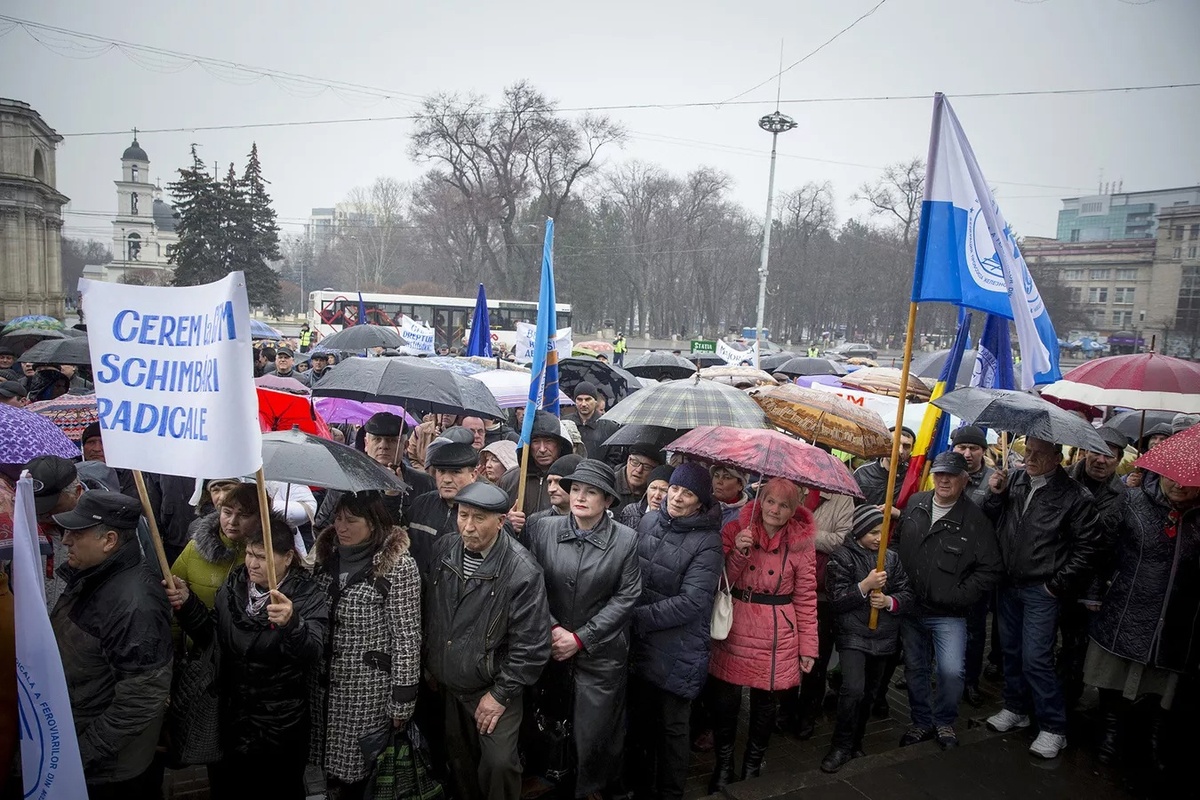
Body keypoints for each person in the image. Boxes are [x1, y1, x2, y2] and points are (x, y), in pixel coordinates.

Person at [166, 516, 329, 798]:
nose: (253, 564)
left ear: (288, 557)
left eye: (263, 557)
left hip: (279, 726)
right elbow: (213, 636)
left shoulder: (305, 594)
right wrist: (188, 604)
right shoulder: (234, 584)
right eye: (251, 554)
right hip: (232, 718)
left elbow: (313, 652)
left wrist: (292, 624)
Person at [424, 482, 551, 800]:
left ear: (501, 521)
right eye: (463, 515)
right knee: (461, 764)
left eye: (479, 518)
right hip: (451, 684)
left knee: (498, 766)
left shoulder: (522, 572)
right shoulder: (444, 550)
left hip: (492, 688)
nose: (468, 526)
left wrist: (500, 695)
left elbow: (531, 646)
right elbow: (433, 611)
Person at [523, 460, 642, 799]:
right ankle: (551, 775)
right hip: (551, 644)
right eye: (575, 489)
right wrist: (552, 628)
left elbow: (627, 596)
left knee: (595, 729)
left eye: (591, 492)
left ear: (607, 500)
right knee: (549, 719)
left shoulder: (626, 540)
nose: (579, 497)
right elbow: (531, 584)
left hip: (601, 653)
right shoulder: (543, 529)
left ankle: (593, 785)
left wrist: (581, 637)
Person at [983, 437, 1100, 759]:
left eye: (1038, 454)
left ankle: (1053, 727)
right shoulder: (1016, 480)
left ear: (1057, 458)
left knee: (1036, 658)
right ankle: (1015, 707)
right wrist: (995, 494)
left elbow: (1087, 548)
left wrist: (1056, 586)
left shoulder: (1075, 496)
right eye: (1027, 452)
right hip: (1009, 583)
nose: (1029, 458)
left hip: (1041, 589)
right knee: (1011, 651)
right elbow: (992, 519)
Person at [51, 491, 173, 799]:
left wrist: (79, 753)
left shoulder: (135, 605)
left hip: (110, 770)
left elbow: (142, 699)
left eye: (76, 534)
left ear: (109, 540)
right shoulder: (94, 574)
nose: (66, 541)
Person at [707, 476, 818, 791]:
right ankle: (724, 763)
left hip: (776, 631)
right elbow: (719, 582)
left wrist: (808, 647)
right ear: (760, 500)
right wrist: (738, 553)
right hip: (736, 623)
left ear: (793, 509)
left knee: (765, 703)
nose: (775, 509)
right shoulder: (736, 529)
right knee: (726, 700)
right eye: (770, 501)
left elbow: (807, 597)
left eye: (784, 505)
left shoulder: (801, 543)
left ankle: (753, 765)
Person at [1084, 472, 1200, 773]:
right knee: (1114, 676)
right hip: (1128, 605)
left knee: (1160, 684)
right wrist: (1094, 592)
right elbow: (1101, 548)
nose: (1180, 485)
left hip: (1177, 618)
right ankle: (1109, 734)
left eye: (1190, 482)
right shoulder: (1133, 500)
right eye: (1174, 478)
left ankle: (1151, 740)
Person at [311, 491, 422, 798]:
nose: (341, 527)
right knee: (324, 769)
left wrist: (402, 700)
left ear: (373, 523)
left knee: (358, 773)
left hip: (366, 691)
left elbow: (407, 637)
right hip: (323, 689)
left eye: (351, 520)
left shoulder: (398, 567)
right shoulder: (325, 557)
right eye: (337, 518)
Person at [627, 461, 723, 800]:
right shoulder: (650, 519)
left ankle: (670, 792)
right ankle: (640, 787)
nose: (677, 498)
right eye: (675, 489)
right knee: (640, 722)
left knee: (672, 729)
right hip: (641, 644)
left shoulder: (709, 542)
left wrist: (637, 617)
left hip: (678, 649)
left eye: (689, 493)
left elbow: (692, 602)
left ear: (701, 502)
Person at [893, 451, 1002, 750]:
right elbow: (894, 542)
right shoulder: (915, 504)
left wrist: (960, 595)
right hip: (911, 606)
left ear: (964, 480)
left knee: (952, 671)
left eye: (951, 475)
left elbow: (990, 567)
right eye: (939, 473)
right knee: (915, 669)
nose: (944, 479)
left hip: (949, 614)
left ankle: (944, 721)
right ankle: (921, 722)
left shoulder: (976, 519)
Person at [820, 505, 913, 773]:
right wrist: (864, 586)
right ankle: (840, 745)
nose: (878, 537)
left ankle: (856, 742)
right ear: (859, 531)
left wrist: (888, 601)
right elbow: (836, 599)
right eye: (872, 532)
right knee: (853, 689)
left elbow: (906, 594)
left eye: (882, 532)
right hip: (853, 635)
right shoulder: (842, 557)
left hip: (883, 637)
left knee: (871, 693)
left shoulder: (892, 560)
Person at [1062, 426, 1129, 710]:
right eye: (1096, 451)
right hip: (1054, 576)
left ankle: (1067, 700)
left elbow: (1119, 547)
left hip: (1092, 586)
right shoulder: (1062, 480)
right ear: (1084, 451)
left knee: (1076, 646)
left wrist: (1099, 590)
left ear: (1118, 461)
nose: (1101, 460)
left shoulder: (1126, 495)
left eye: (1109, 456)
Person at [792, 487, 855, 739]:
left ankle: (808, 712)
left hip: (821, 590)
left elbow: (842, 539)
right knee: (785, 652)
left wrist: (806, 534)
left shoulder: (842, 498)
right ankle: (785, 708)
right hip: (787, 585)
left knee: (815, 655)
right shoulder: (789, 489)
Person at [316, 412, 434, 528]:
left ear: (405, 446)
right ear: (366, 443)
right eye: (377, 439)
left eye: (392, 440)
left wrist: (393, 498)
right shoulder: (346, 479)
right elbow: (322, 526)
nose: (383, 445)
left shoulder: (424, 484)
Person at [171, 482, 260, 610]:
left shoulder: (270, 555)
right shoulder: (195, 548)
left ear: (260, 517)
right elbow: (173, 598)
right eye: (227, 513)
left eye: (244, 515)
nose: (232, 521)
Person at [404, 433, 481, 573]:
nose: (446, 479)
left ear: (473, 475)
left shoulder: (484, 512)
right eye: (441, 471)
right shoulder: (421, 504)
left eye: (455, 472)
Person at [498, 409, 574, 518]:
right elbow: (494, 521)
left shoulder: (573, 478)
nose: (542, 449)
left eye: (549, 441)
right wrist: (509, 524)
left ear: (560, 445)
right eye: (536, 442)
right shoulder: (510, 479)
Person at [853, 426, 915, 512]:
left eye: (906, 446)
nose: (900, 451)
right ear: (885, 443)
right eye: (895, 443)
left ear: (912, 449)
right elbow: (848, 509)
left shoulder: (913, 478)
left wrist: (899, 514)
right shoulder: (862, 473)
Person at [525, 453, 583, 530]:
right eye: (549, 482)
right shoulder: (534, 523)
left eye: (558, 482)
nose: (551, 489)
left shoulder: (591, 522)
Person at [562, 381, 617, 460]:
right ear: (575, 401)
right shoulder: (565, 423)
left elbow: (614, 458)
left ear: (595, 401)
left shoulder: (609, 427)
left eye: (588, 399)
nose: (583, 404)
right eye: (580, 399)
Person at [617, 464, 673, 529]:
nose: (657, 496)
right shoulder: (630, 512)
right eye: (653, 488)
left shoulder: (673, 522)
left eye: (664, 490)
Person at [613, 443, 665, 511]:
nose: (639, 470)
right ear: (628, 459)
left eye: (647, 467)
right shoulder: (610, 484)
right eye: (635, 462)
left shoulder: (657, 494)